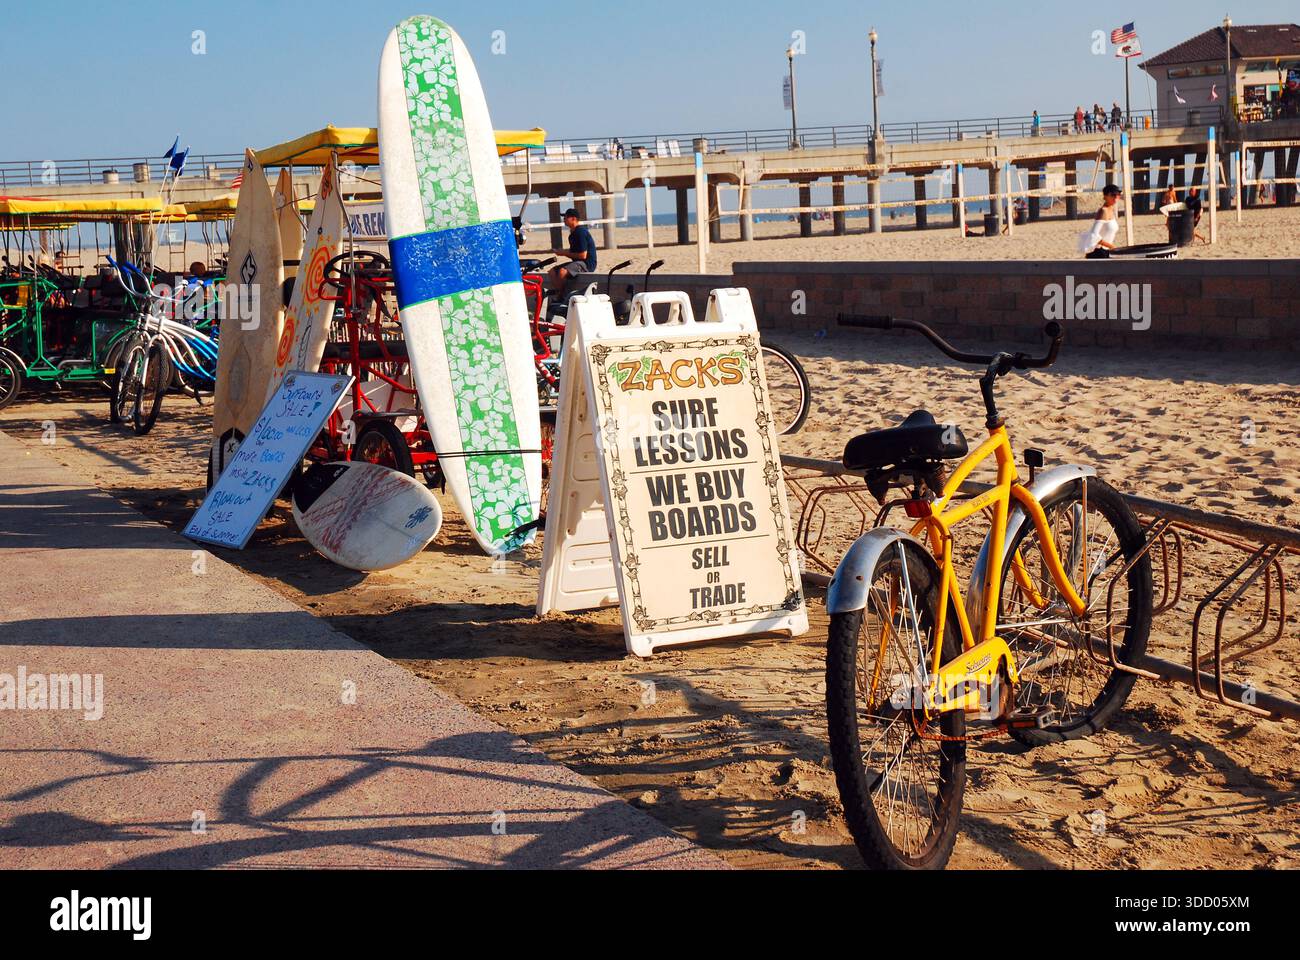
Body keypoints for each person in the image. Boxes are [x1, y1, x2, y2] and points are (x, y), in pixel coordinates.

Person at [547, 208, 598, 294]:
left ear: (573, 219)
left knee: (562, 272)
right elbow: (574, 251)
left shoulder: (580, 232)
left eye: (566, 217)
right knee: (552, 272)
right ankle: (560, 293)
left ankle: (562, 296)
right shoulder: (572, 234)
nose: (564, 219)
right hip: (578, 262)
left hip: (587, 264)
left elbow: (583, 255)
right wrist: (562, 251)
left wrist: (564, 253)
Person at [1079, 184, 1122, 258]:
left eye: (1118, 195)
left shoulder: (1111, 210)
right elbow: (1094, 235)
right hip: (1098, 252)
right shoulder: (1103, 211)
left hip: (1106, 251)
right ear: (1105, 196)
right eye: (1112, 195)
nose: (1115, 198)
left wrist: (1110, 247)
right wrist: (1111, 246)